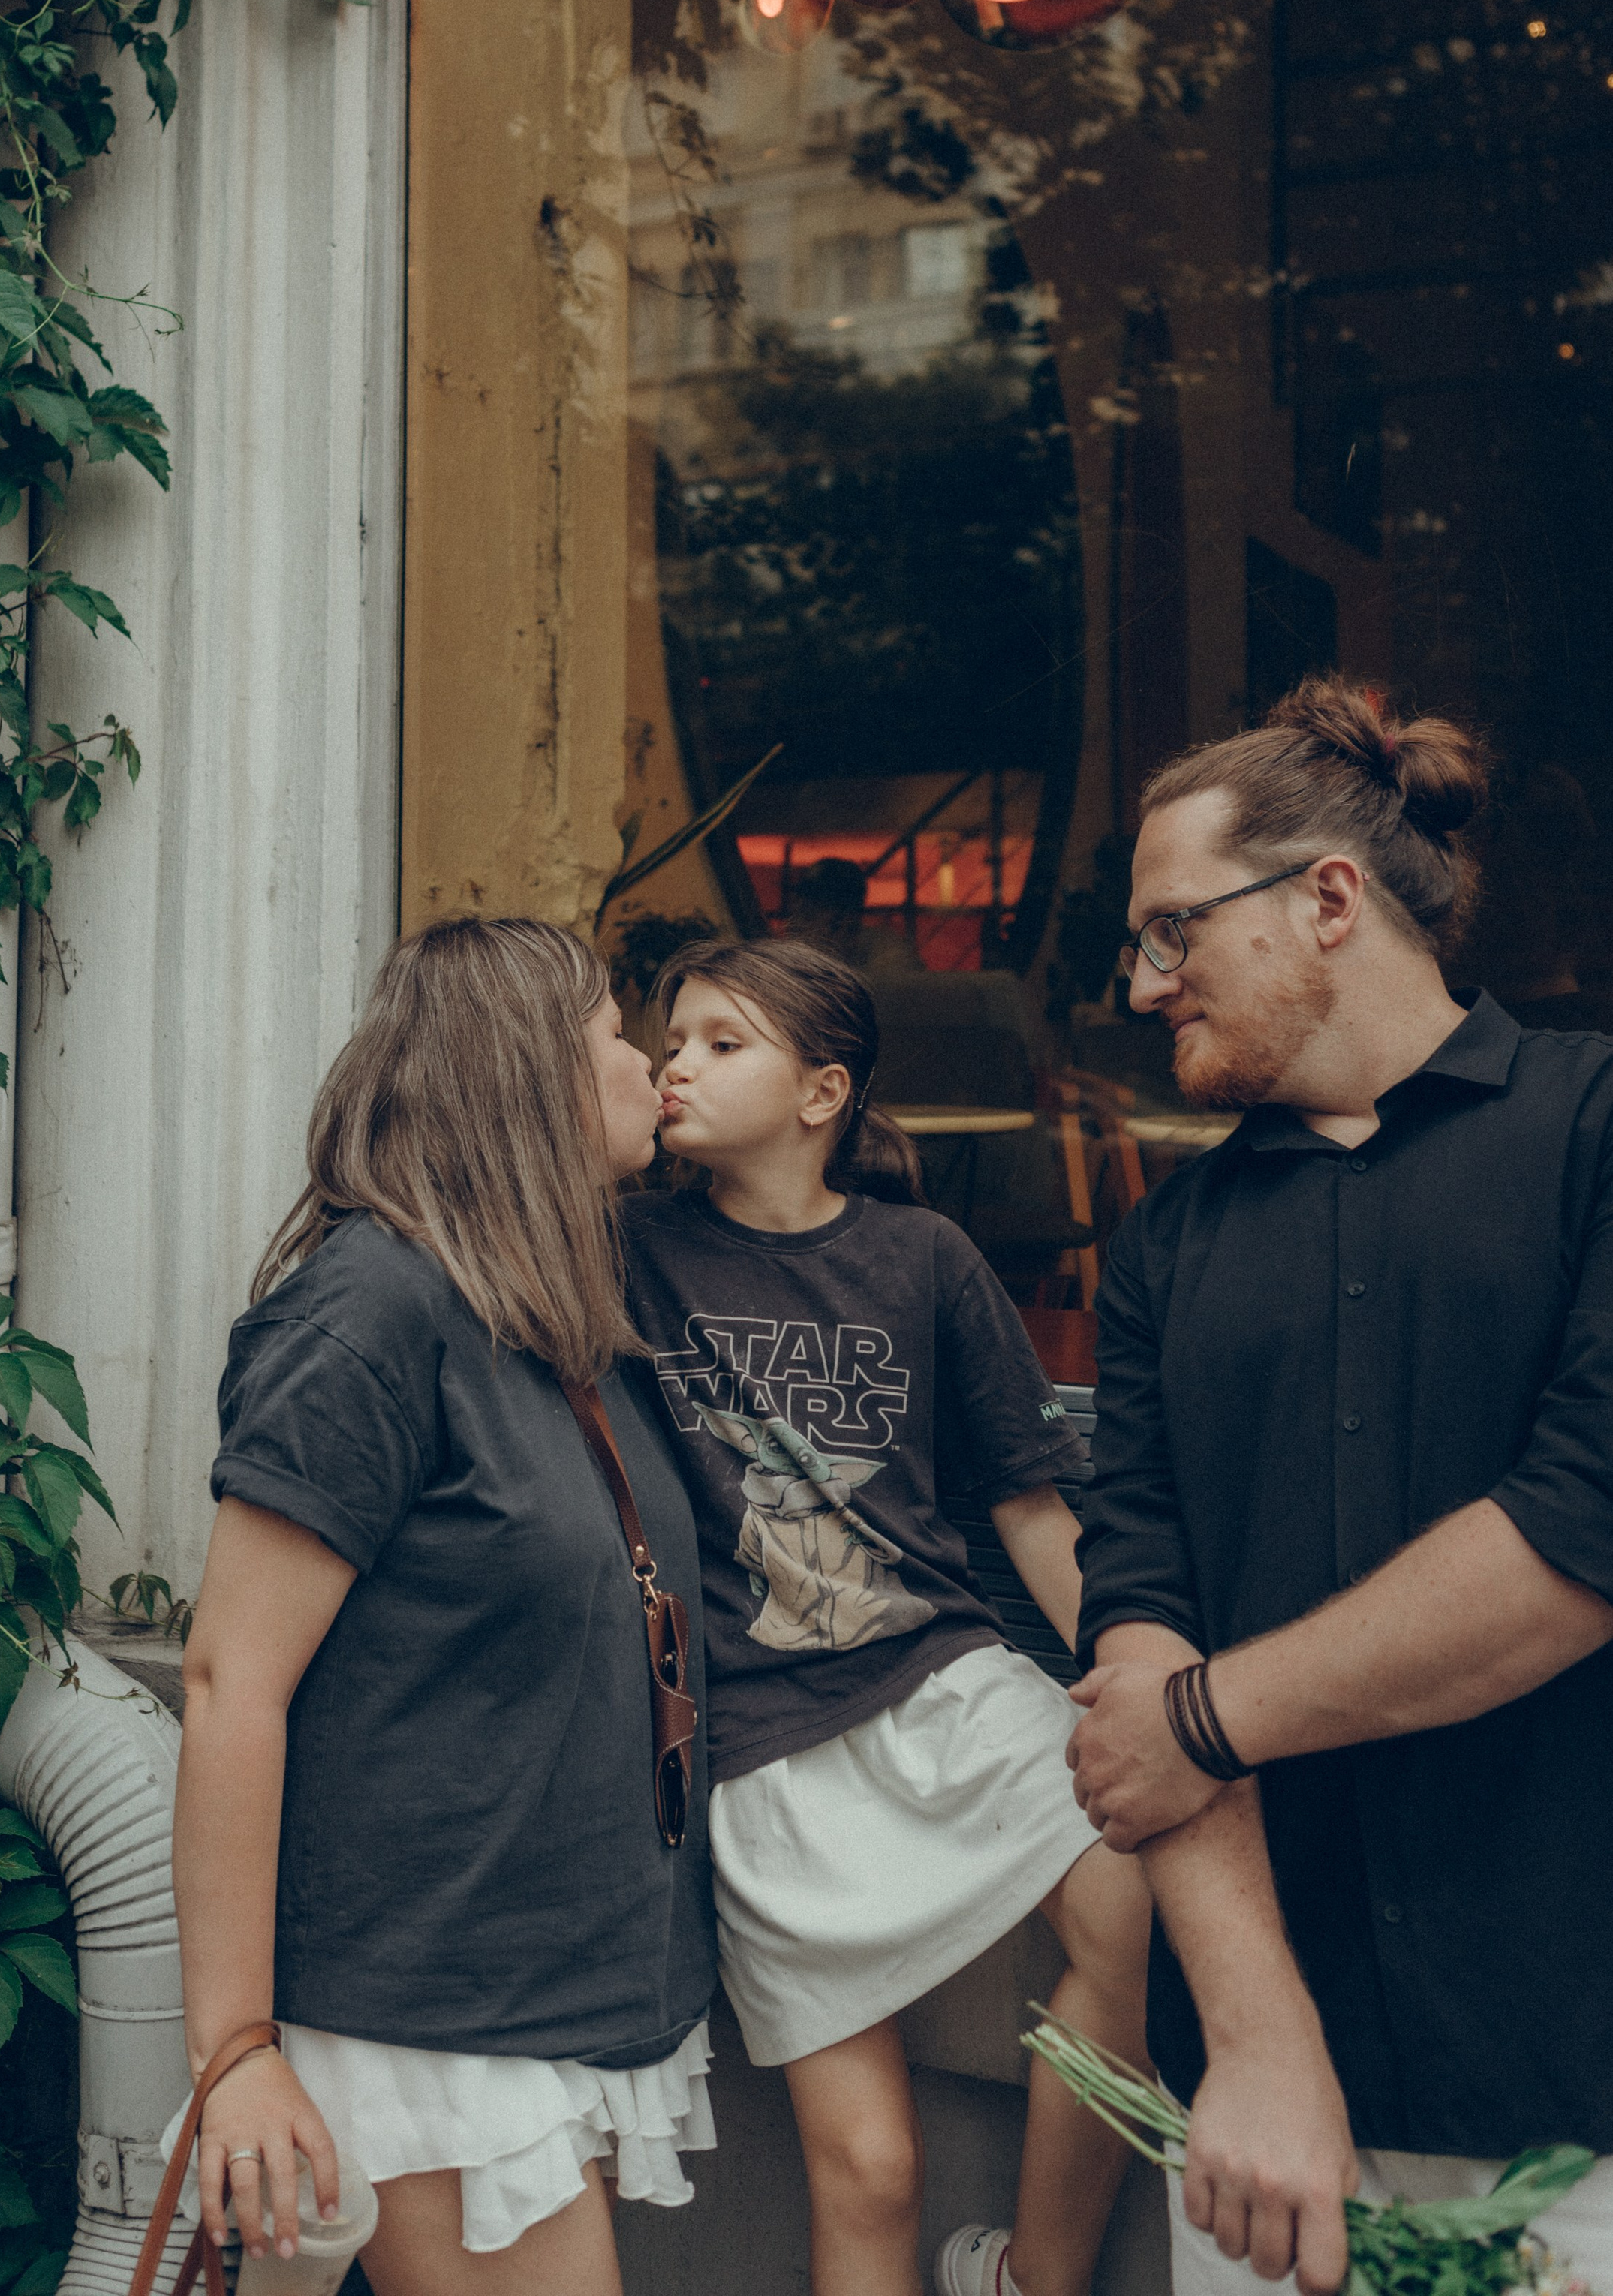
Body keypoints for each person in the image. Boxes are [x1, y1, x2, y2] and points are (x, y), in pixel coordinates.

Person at [1065, 679, 1613, 2296]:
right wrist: (1258, 2039)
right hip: (1257, 2129)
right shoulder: (1161, 1248)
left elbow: (1576, 1546)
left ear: (1325, 899)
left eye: (1174, 930)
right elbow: (1136, 1635)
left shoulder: (1592, 1130)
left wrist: (1199, 1721)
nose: (1142, 980)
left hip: (1575, 2107)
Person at [170, 918, 717, 2296]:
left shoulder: (546, 1313)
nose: (644, 1056)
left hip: (539, 1994)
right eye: (611, 1028)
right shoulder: (368, 1317)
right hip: (424, 2014)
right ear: (528, 1073)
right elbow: (235, 1681)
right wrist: (235, 2051)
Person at [621, 935, 1152, 2296]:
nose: (677, 1063)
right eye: (670, 1039)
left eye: (722, 1043)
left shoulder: (926, 1257)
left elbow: (1031, 1508)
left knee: (1130, 1906)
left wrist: (1133, 1672)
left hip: (947, 1684)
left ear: (823, 1093)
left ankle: (1033, 2278)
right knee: (871, 2170)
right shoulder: (626, 1254)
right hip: (761, 1743)